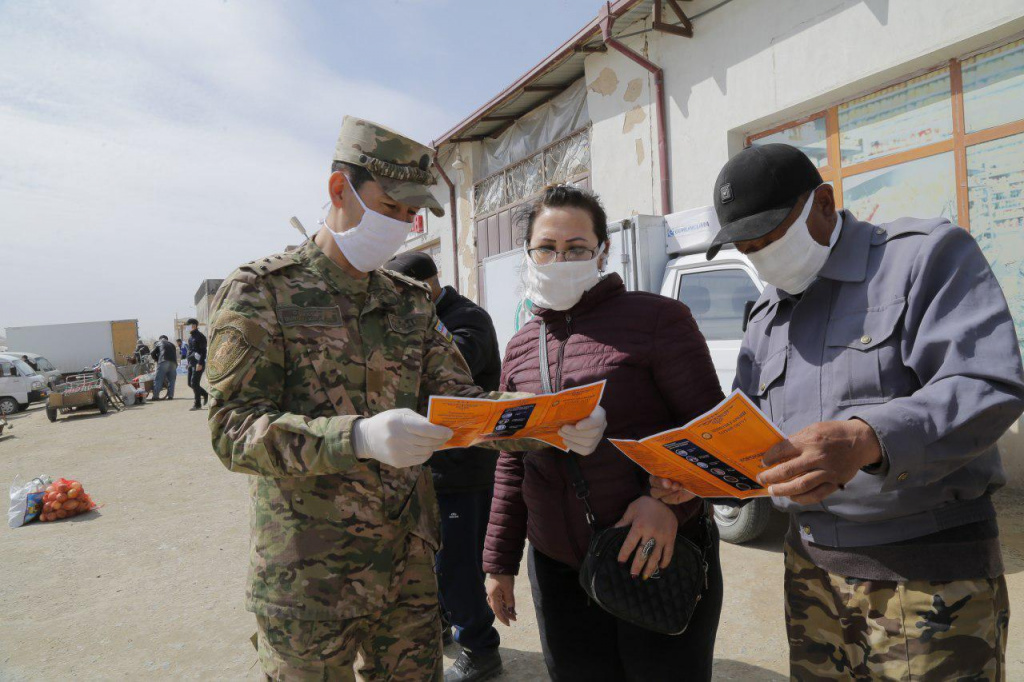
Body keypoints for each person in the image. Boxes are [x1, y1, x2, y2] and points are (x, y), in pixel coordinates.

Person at [205, 117, 606, 681]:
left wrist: (551, 424)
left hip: (409, 571)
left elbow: (466, 403)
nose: (402, 225)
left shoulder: (409, 303)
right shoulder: (263, 292)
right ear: (339, 190)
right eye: (389, 207)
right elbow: (232, 429)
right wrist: (358, 437)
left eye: (409, 214)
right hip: (308, 577)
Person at [653, 143, 1024, 680]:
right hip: (812, 580)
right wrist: (704, 475)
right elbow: (754, 432)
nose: (764, 256)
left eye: (773, 237)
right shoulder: (765, 312)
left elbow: (987, 384)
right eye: (750, 247)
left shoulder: (923, 259)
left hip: (928, 580)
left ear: (823, 203)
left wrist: (866, 438)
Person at [484, 185, 725, 682]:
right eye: (546, 248)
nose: (559, 258)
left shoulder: (658, 320)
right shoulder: (521, 346)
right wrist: (499, 561)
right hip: (557, 567)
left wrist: (669, 504)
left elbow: (711, 437)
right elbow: (512, 461)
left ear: (602, 252)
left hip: (650, 551)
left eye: (576, 248)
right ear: (528, 254)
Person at [386, 251, 504, 682]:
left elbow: (448, 373)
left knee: (457, 563)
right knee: (432, 559)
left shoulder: (467, 319)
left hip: (463, 468)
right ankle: (446, 624)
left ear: (426, 287)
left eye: (403, 294)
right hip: (428, 467)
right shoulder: (424, 317)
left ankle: (480, 648)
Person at [185, 319, 208, 411]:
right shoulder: (191, 337)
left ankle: (197, 404)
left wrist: (200, 363)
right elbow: (190, 351)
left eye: (188, 325)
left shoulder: (200, 336)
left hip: (198, 363)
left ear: (194, 325)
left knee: (194, 383)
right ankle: (205, 394)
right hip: (191, 363)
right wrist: (188, 363)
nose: (187, 327)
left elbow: (203, 351)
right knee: (190, 384)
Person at [150, 335, 178, 400]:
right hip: (173, 363)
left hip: (163, 361)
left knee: (159, 379)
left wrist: (156, 359)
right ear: (167, 339)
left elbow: (152, 352)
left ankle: (155, 396)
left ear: (160, 339)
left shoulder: (159, 342)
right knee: (171, 380)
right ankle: (170, 396)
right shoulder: (172, 344)